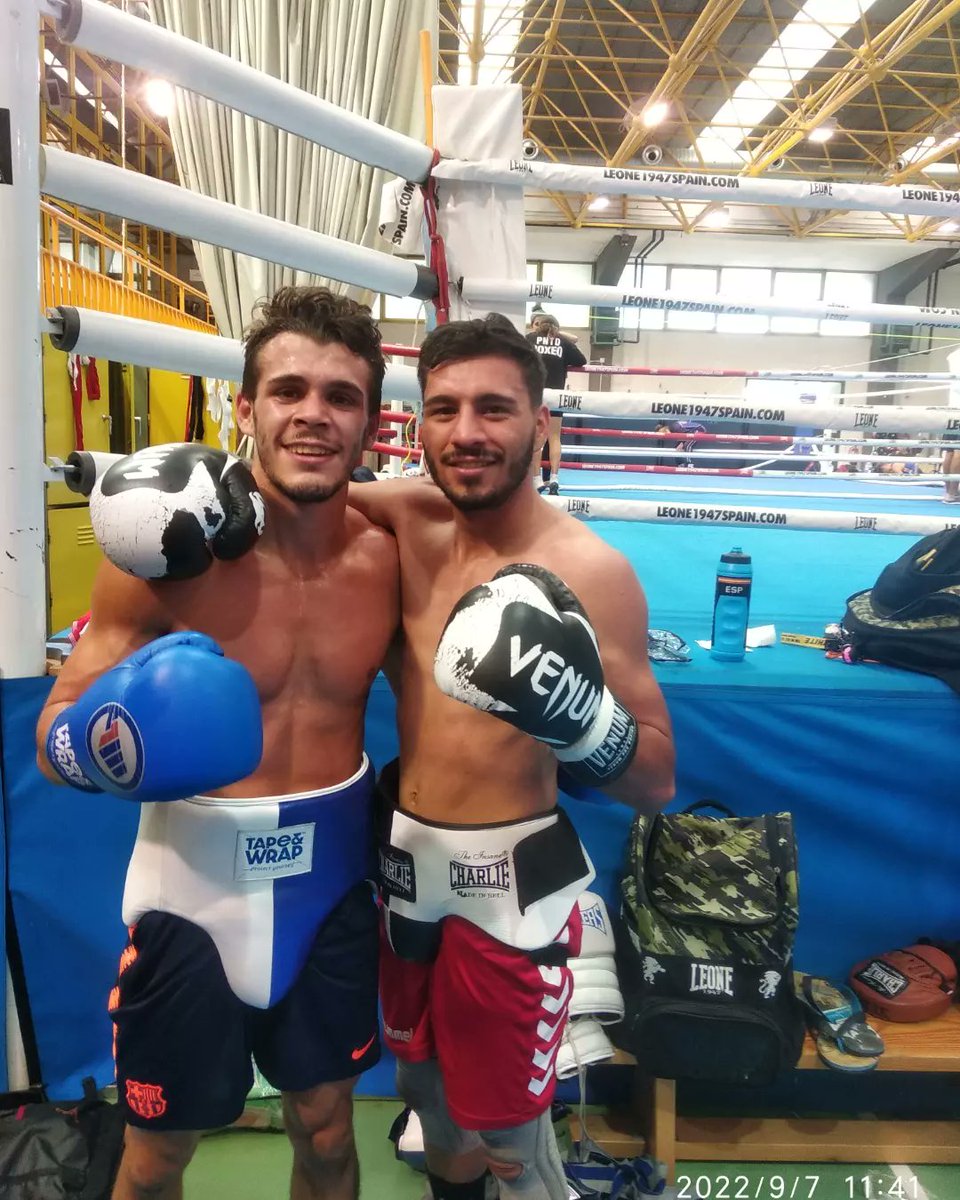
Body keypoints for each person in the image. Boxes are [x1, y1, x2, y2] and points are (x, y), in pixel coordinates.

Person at [35, 287, 400, 1200]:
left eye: (340, 396)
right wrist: (113, 739)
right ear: (247, 409)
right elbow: (54, 735)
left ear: (369, 421)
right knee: (159, 1154)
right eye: (288, 391)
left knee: (326, 1132)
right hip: (190, 895)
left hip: (330, 887)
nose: (313, 414)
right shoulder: (168, 556)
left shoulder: (391, 559)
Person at [349, 314, 674, 1200]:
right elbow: (288, 488)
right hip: (405, 870)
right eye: (443, 409)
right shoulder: (405, 519)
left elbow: (656, 779)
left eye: (494, 409)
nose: (466, 434)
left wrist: (575, 716)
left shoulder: (589, 570)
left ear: (541, 423)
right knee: (428, 1101)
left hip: (510, 891)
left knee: (512, 1136)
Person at [526, 312, 586, 494]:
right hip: (557, 396)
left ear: (539, 325)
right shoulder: (562, 341)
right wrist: (558, 335)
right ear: (556, 327)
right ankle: (554, 478)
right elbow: (581, 361)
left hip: (537, 394)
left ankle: (537, 480)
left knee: (536, 438)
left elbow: (516, 354)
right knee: (554, 438)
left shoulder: (531, 338)